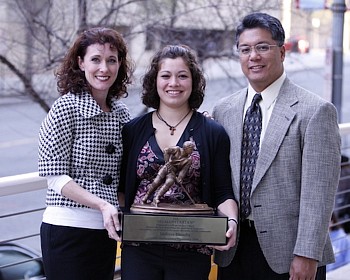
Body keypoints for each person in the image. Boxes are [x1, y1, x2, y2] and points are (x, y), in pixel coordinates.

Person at [213, 12, 341, 280]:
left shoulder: (315, 111)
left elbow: (319, 193)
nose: (253, 56)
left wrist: (307, 254)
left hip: (290, 254)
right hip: (233, 249)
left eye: (262, 47)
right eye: (245, 49)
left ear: (282, 52)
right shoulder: (224, 110)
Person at [118, 44, 238, 280]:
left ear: (193, 82)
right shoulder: (133, 130)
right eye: (166, 75)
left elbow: (223, 191)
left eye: (182, 76)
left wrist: (232, 222)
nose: (174, 83)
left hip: (192, 250)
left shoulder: (212, 133)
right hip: (140, 248)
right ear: (155, 81)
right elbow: (122, 190)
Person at [38, 27, 133, 280]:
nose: (104, 68)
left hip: (105, 231)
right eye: (95, 59)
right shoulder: (64, 108)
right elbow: (54, 177)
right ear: (80, 63)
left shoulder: (122, 113)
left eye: (111, 60)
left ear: (119, 65)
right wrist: (102, 204)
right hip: (67, 230)